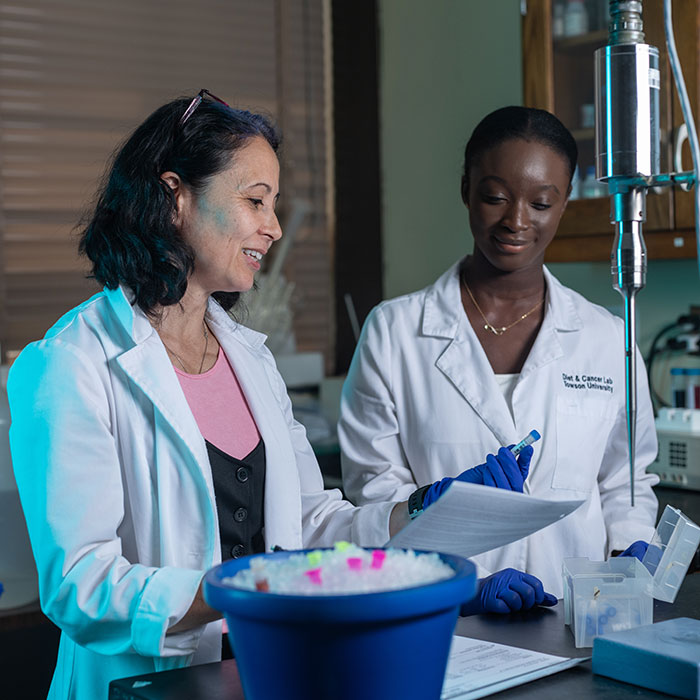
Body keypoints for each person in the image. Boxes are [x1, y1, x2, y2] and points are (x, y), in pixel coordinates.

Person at [7, 93, 552, 700]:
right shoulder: (73, 362)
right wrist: (239, 588)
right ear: (175, 197)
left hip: (268, 676)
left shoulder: (251, 360)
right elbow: (80, 584)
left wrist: (423, 507)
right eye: (254, 200)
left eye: (273, 203)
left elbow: (313, 527)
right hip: (144, 686)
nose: (274, 226)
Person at [339, 105, 658, 599]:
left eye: (541, 203)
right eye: (495, 197)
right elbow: (377, 495)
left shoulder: (607, 338)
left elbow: (626, 483)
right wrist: (463, 589)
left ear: (566, 203)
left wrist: (631, 547)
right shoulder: (394, 332)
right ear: (466, 189)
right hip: (446, 616)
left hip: (579, 617)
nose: (516, 221)